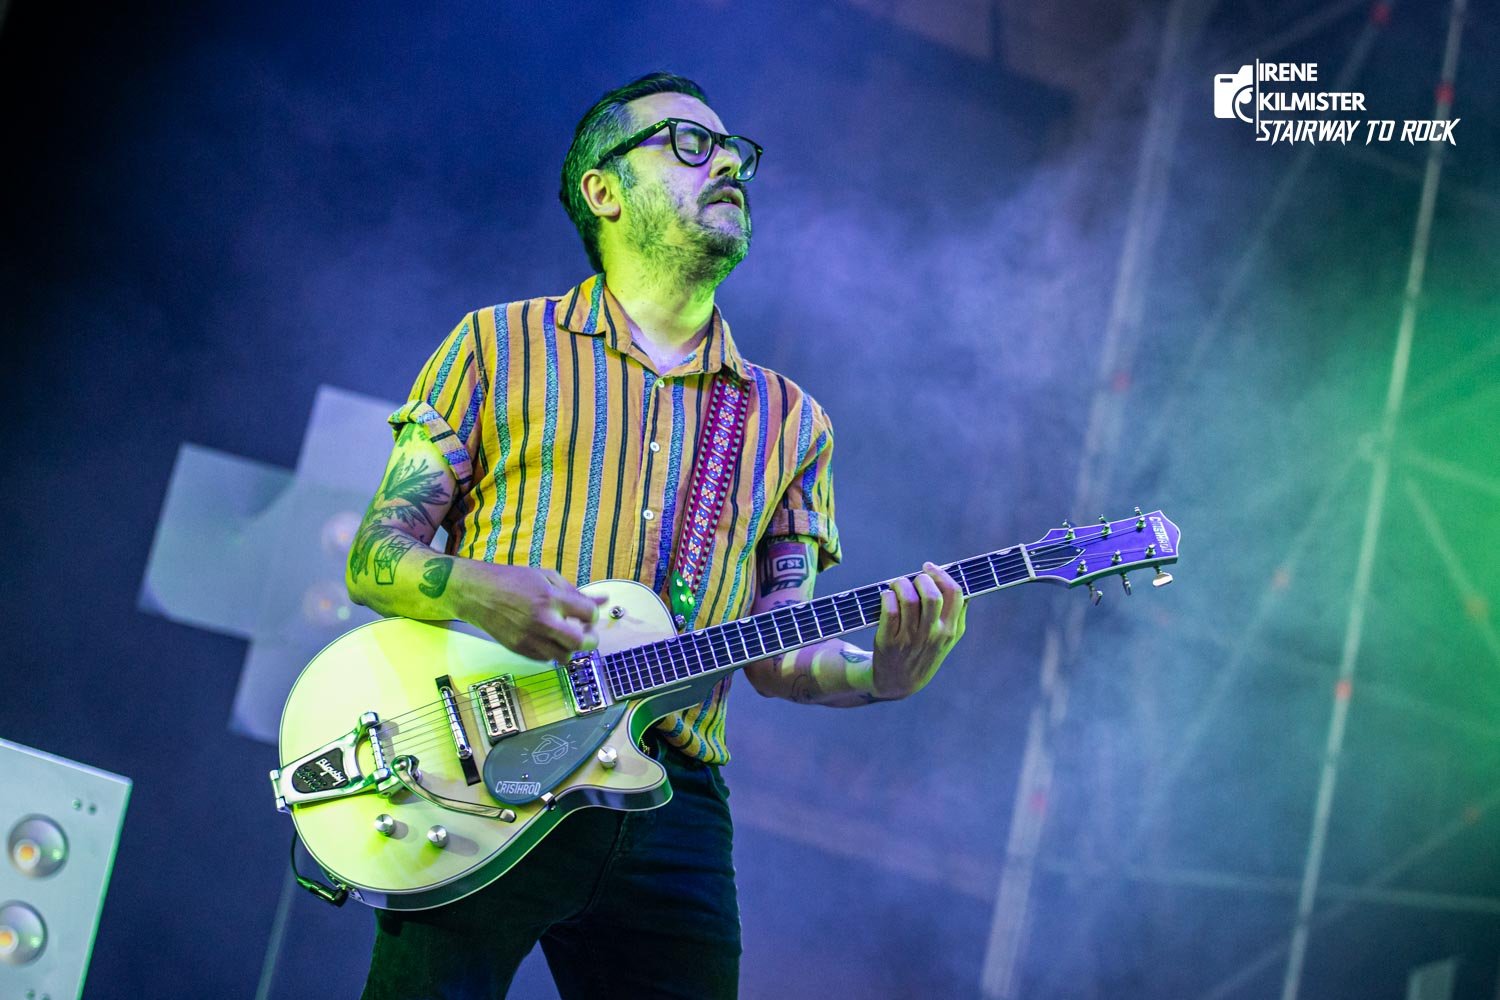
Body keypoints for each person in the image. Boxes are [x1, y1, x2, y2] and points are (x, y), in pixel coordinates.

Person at [345, 71, 969, 1000]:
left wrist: (882, 673)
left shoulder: (791, 423)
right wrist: (479, 589)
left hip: (673, 803)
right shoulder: (495, 345)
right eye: (688, 143)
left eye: (734, 152)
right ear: (603, 190)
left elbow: (774, 654)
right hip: (488, 767)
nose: (727, 164)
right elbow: (374, 558)